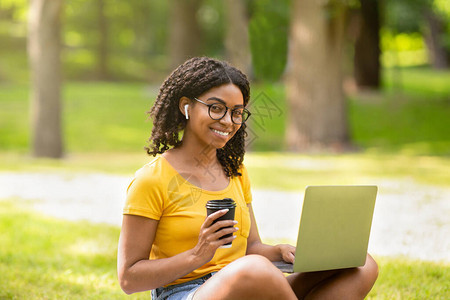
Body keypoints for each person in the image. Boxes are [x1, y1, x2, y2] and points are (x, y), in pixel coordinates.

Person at [117, 57, 378, 300]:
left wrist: (278, 251)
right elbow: (129, 278)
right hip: (184, 292)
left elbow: (251, 247)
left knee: (360, 264)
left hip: (247, 283)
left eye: (237, 112)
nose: (228, 121)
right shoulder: (151, 180)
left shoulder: (235, 170)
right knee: (253, 270)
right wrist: (199, 254)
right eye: (216, 108)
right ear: (186, 105)